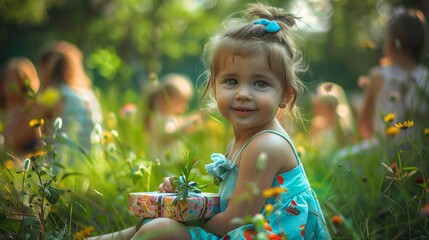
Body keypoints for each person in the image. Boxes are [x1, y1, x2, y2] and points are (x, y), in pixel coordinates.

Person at [89, 3, 330, 240]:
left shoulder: (265, 145)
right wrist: (183, 200)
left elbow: (235, 222)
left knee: (160, 229)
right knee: (156, 222)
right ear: (214, 87)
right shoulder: (246, 138)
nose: (243, 93)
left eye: (260, 83)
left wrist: (179, 217)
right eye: (232, 81)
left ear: (285, 96)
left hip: (261, 234)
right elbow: (228, 205)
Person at [359, 8, 429, 140]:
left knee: (338, 159)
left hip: (381, 150)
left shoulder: (378, 76)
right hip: (418, 153)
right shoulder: (426, 78)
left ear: (391, 42)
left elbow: (364, 123)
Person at [37, 41, 103, 155]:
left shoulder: (52, 95)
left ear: (45, 67)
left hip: (59, 166)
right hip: (90, 164)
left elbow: (23, 137)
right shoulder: (90, 96)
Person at [143, 72, 203, 161]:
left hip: (173, 163)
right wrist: (187, 126)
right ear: (165, 99)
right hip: (163, 164)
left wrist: (193, 121)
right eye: (182, 101)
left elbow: (179, 124)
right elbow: (170, 134)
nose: (186, 106)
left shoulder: (170, 118)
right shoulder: (157, 119)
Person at [0, 57, 41, 156]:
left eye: (17, 82)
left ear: (26, 85)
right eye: (8, 81)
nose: (11, 87)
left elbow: (12, 144)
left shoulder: (31, 113)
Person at [309, 82, 356, 152]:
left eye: (318, 107)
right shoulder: (319, 126)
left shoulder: (342, 129)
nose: (314, 110)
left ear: (329, 108)